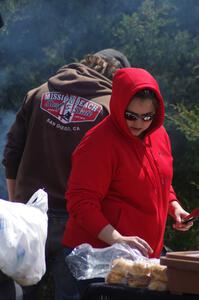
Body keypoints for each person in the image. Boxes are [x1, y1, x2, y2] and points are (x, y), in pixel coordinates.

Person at [2, 48, 131, 299]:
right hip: (78, 221)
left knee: (16, 292)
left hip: (29, 215)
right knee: (71, 295)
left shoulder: (39, 93)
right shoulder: (109, 109)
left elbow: (12, 152)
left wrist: (18, 202)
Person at [61, 67, 193, 299]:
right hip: (97, 259)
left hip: (139, 259)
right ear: (118, 106)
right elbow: (80, 203)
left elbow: (160, 180)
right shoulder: (98, 143)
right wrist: (118, 239)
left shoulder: (159, 134)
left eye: (147, 116)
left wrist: (174, 206)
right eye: (131, 115)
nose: (139, 123)